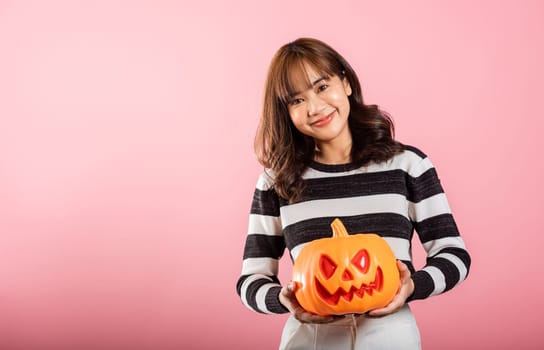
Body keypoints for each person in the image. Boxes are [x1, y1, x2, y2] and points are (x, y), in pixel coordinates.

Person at [236, 37, 470, 350]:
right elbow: (251, 279)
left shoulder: (407, 165)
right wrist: (284, 299)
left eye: (321, 87)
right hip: (311, 340)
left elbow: (454, 254)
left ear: (345, 82)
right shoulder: (276, 182)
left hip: (392, 335)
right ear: (286, 111)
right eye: (297, 100)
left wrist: (411, 286)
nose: (315, 108)